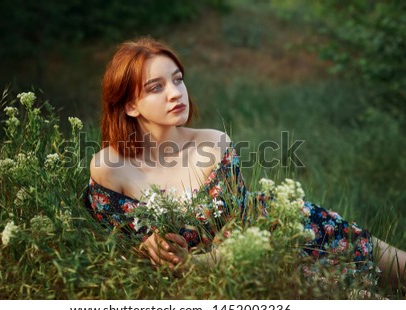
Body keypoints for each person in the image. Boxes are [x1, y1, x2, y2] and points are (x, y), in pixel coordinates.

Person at [83, 36, 405, 288]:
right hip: (251, 274)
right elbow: (117, 248)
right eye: (157, 87)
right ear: (130, 106)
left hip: (281, 233)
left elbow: (241, 229)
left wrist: (196, 265)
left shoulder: (213, 143)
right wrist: (149, 248)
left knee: (384, 261)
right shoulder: (110, 167)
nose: (175, 93)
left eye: (178, 79)